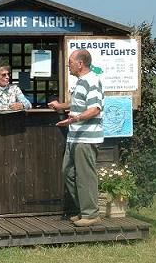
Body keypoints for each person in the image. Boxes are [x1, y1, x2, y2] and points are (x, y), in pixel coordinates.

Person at [48, 49, 104, 227]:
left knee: (85, 176)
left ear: (80, 64)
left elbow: (95, 108)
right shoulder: (81, 81)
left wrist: (75, 119)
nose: (68, 64)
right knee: (68, 172)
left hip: (86, 138)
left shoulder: (93, 80)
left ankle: (91, 214)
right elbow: (77, 104)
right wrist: (60, 106)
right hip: (74, 137)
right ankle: (83, 210)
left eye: (70, 61)